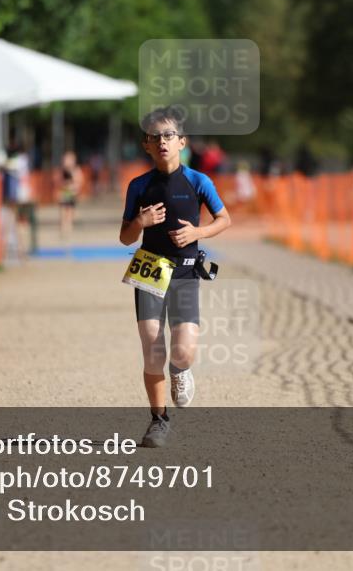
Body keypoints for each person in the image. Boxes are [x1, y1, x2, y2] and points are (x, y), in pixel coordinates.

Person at [119, 106, 232, 448]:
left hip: (185, 272)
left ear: (182, 141)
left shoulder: (199, 181)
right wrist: (140, 223)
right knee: (152, 348)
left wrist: (197, 231)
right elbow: (125, 237)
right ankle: (158, 421)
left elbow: (224, 219)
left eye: (169, 136)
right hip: (150, 268)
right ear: (147, 146)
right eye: (155, 137)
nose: (162, 142)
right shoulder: (139, 186)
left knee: (181, 352)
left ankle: (180, 372)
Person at [56, 150, 83, 240]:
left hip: (71, 194)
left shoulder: (75, 170)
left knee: (70, 213)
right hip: (64, 194)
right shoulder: (62, 171)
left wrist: (75, 188)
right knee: (63, 213)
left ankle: (69, 231)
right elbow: (58, 181)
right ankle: (63, 231)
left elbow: (79, 181)